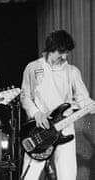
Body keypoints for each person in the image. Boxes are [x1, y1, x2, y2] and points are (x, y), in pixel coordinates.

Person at [20, 30, 95, 180]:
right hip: (39, 129)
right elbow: (25, 96)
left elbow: (83, 99)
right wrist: (37, 113)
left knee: (67, 176)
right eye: (61, 52)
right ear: (50, 48)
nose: (64, 56)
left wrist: (90, 105)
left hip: (65, 128)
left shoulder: (72, 72)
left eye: (66, 53)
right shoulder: (32, 67)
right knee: (30, 176)